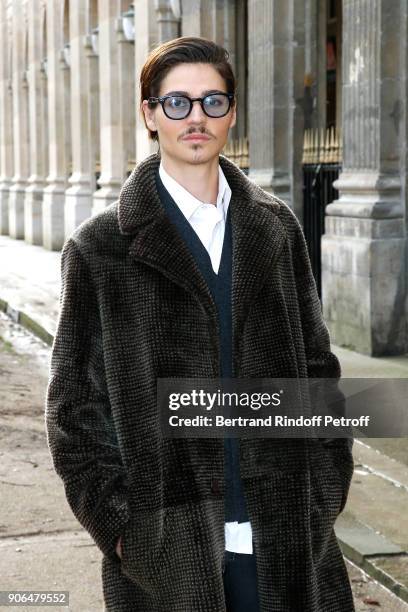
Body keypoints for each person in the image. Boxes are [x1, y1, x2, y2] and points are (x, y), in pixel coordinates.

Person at [45, 36, 355, 612]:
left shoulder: (277, 229)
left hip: (289, 542)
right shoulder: (99, 248)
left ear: (231, 113)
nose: (196, 118)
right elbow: (74, 412)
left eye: (213, 102)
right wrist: (124, 532)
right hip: (169, 559)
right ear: (150, 114)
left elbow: (318, 370)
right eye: (177, 102)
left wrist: (325, 492)